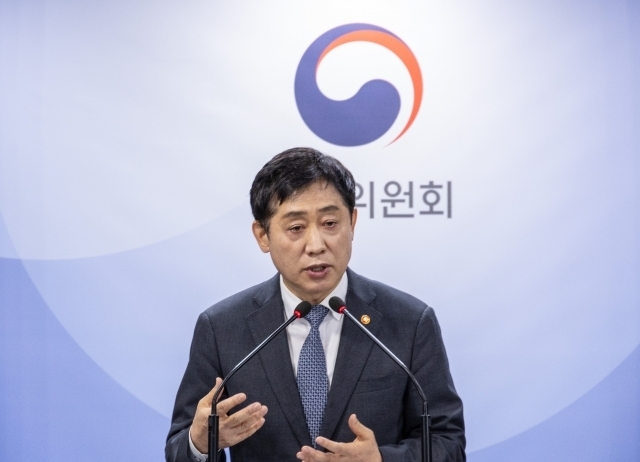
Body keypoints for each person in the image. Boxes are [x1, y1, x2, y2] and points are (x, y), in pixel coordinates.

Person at [165, 147, 465, 462]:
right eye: (296, 228)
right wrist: (200, 443)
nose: (316, 245)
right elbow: (179, 449)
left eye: (330, 223)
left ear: (352, 222)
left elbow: (448, 443)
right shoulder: (222, 328)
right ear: (263, 235)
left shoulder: (410, 322)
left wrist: (381, 460)